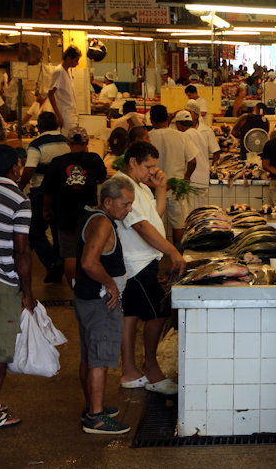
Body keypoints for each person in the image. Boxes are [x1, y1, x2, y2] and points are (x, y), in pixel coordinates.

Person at [113, 141, 184, 394]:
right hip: (136, 262)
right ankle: (150, 368)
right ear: (133, 161)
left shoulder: (140, 186)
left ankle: (130, 372)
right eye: (148, 166)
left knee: (131, 314)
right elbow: (141, 227)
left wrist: (161, 188)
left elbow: (154, 216)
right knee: (159, 312)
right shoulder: (123, 186)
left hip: (144, 259)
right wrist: (172, 251)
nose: (151, 171)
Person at [0, 144, 37, 430]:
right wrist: (27, 292)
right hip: (1, 282)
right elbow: (21, 251)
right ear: (15, 168)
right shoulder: (19, 200)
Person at [75, 177, 134, 435]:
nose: (129, 209)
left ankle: (93, 405)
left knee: (90, 353)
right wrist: (110, 283)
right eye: (125, 204)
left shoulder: (95, 216)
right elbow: (89, 262)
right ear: (108, 202)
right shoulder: (102, 223)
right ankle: (96, 418)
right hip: (99, 301)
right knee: (98, 358)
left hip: (87, 297)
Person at [42, 127, 107, 287]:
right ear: (87, 141)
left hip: (64, 213)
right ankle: (90, 288)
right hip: (89, 214)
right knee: (91, 250)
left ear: (68, 142)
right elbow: (102, 177)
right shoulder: (94, 159)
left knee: (70, 254)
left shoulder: (58, 162)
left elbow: (48, 191)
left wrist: (46, 209)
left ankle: (75, 292)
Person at [18, 112, 68, 283]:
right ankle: (59, 263)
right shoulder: (65, 142)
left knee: (35, 231)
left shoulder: (36, 145)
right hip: (62, 193)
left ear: (39, 127)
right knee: (56, 230)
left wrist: (19, 186)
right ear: (56, 125)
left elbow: (30, 168)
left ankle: (53, 263)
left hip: (41, 192)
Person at [147, 104, 198, 245]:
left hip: (153, 187)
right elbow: (193, 161)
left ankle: (157, 257)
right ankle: (178, 254)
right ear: (168, 118)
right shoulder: (180, 136)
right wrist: (186, 177)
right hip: (176, 186)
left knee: (154, 223)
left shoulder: (147, 137)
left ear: (151, 120)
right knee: (178, 224)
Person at [174, 110, 215, 213]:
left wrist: (186, 176)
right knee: (201, 214)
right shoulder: (199, 133)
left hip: (193, 180)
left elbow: (190, 161)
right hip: (203, 179)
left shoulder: (185, 135)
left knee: (191, 214)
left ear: (178, 124)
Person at [48, 45, 82, 137]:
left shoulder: (68, 72)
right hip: (64, 116)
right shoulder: (58, 71)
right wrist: (58, 116)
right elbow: (50, 94)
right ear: (68, 59)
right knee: (67, 143)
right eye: (76, 60)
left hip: (71, 115)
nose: (77, 63)